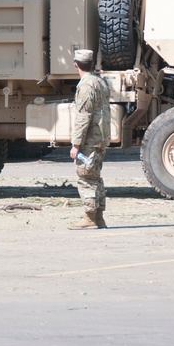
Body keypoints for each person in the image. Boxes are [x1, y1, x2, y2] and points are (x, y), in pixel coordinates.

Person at [67, 49, 112, 230]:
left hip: (90, 140)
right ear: (92, 64)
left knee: (86, 177)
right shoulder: (100, 82)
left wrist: (76, 145)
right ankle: (98, 217)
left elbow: (83, 117)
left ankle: (90, 217)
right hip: (100, 138)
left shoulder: (86, 85)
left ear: (75, 65)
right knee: (95, 177)